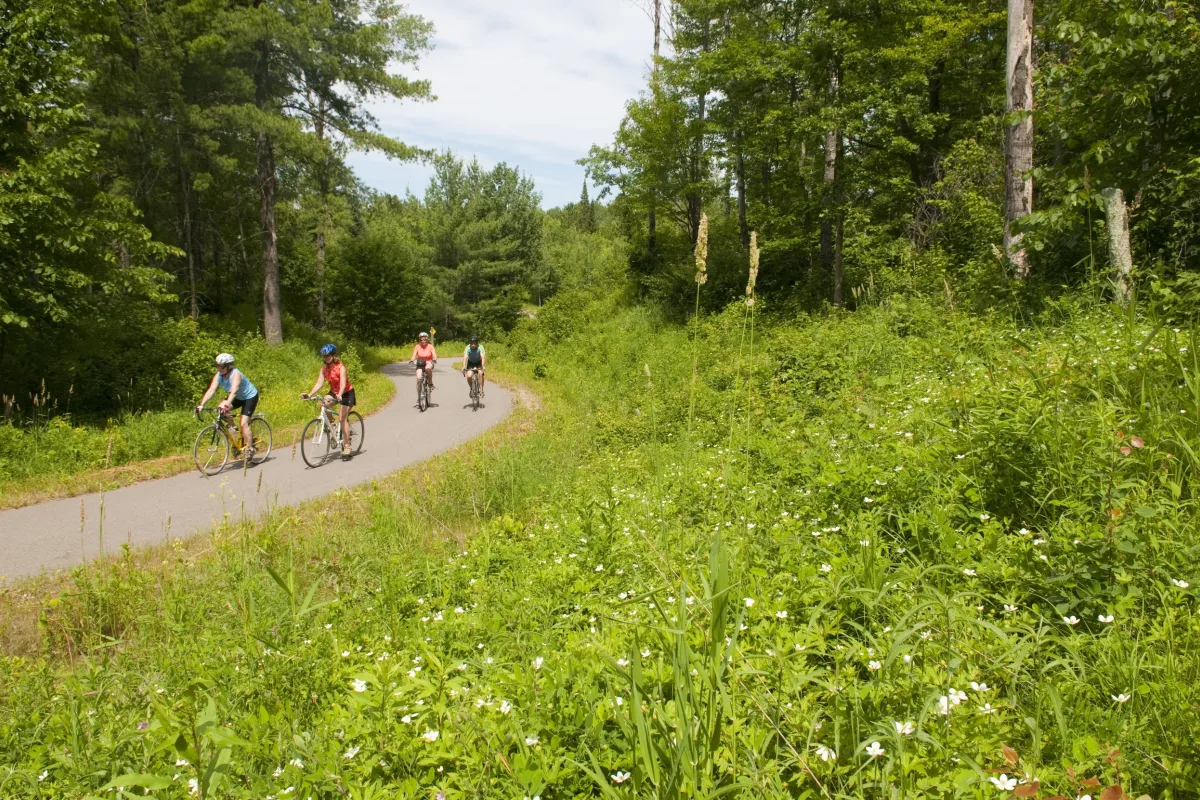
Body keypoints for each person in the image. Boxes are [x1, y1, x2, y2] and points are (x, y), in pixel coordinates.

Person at [196, 353, 259, 461]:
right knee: (221, 410)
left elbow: (234, 391)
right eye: (218, 366)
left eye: (222, 366)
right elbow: (211, 390)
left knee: (243, 423)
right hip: (237, 397)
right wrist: (202, 404)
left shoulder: (236, 374)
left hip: (249, 397)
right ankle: (235, 432)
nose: (219, 368)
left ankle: (250, 448)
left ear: (229, 366)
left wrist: (227, 404)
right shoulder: (219, 375)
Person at [301, 344, 356, 458]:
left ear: (333, 355)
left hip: (346, 393)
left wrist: (340, 394)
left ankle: (347, 445)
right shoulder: (324, 369)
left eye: (328, 356)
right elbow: (319, 383)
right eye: (324, 356)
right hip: (334, 392)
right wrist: (309, 394)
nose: (326, 358)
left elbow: (343, 384)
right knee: (322, 404)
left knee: (342, 418)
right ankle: (333, 426)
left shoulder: (341, 367)